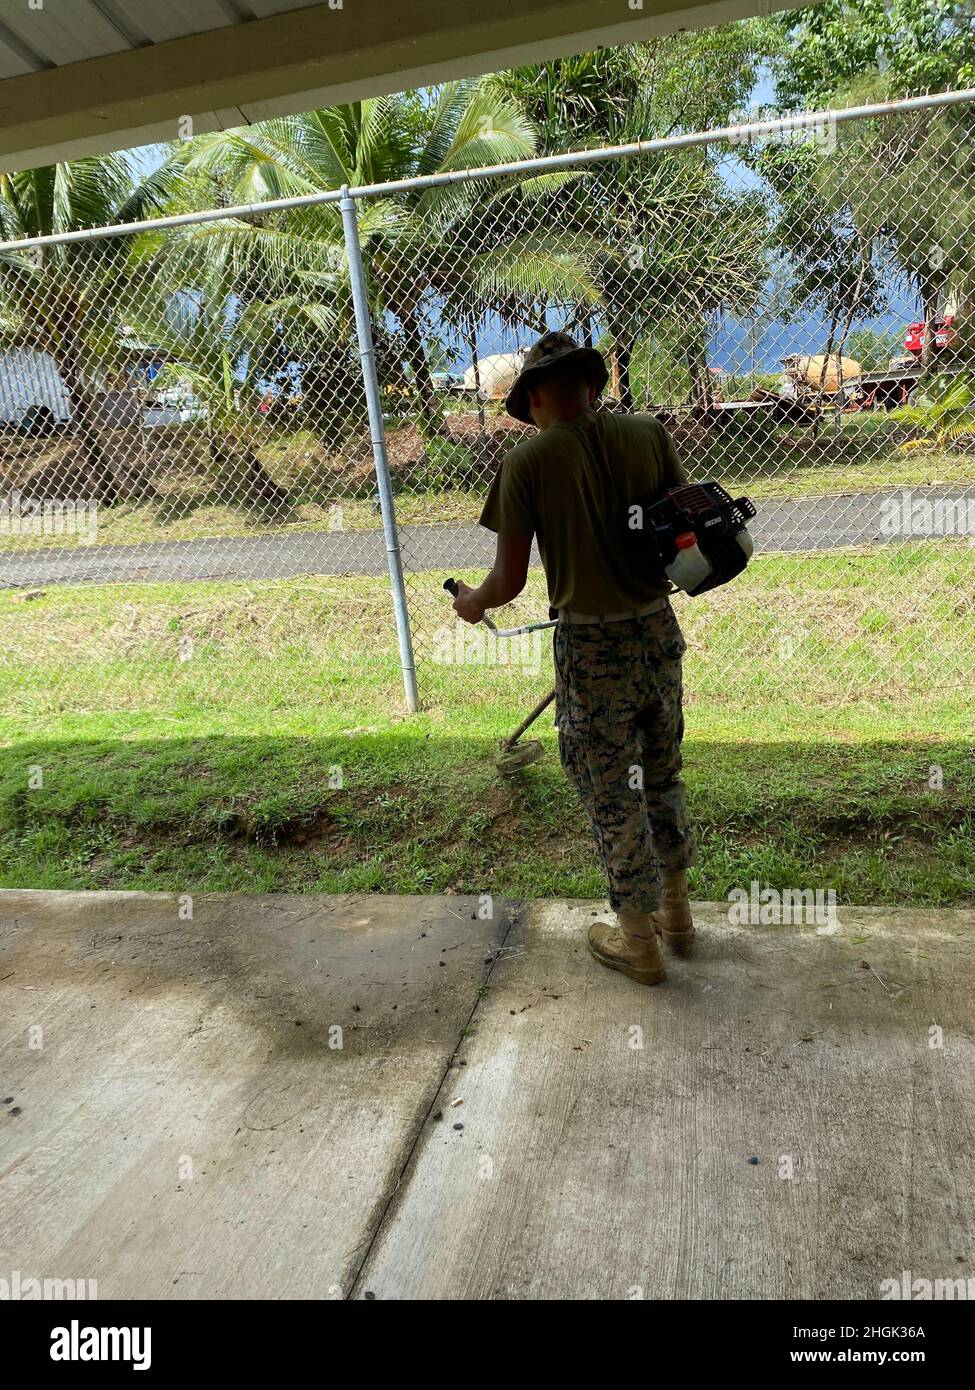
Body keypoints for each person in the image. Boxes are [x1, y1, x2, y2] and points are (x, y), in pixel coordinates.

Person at [451, 331, 696, 986]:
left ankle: (638, 943)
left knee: (612, 790)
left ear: (533, 397)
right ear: (589, 387)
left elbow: (507, 584)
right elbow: (683, 531)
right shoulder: (648, 436)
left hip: (590, 649)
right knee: (662, 774)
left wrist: (472, 604)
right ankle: (677, 917)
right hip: (657, 632)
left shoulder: (527, 463)